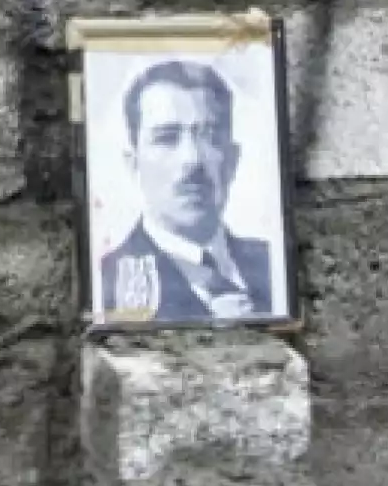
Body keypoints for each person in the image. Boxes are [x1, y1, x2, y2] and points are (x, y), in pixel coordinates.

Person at [100, 58, 273, 323]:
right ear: (133, 164)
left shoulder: (272, 265)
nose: (192, 159)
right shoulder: (106, 285)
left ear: (232, 159)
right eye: (166, 138)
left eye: (210, 136)